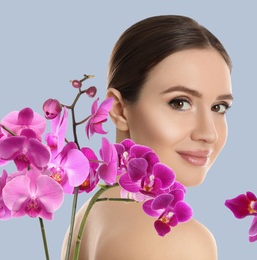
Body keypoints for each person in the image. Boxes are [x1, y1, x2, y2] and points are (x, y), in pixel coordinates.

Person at [62, 14, 233, 260]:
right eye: (180, 103)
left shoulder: (89, 217)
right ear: (119, 109)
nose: (208, 133)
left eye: (219, 107)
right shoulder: (178, 240)